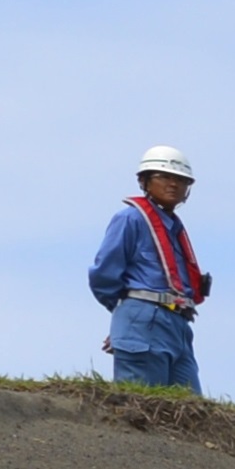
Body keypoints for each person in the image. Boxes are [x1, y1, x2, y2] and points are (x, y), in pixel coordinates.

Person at [87, 146, 213, 387]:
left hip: (179, 323)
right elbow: (104, 274)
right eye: (164, 177)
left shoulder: (174, 228)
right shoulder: (130, 218)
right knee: (142, 404)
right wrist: (128, 317)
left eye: (181, 180)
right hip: (145, 313)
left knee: (187, 409)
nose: (173, 185)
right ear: (144, 181)